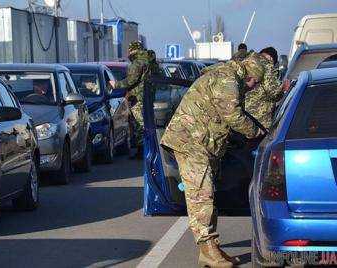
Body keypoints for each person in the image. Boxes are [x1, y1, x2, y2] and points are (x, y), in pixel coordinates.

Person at [160, 55, 265, 268]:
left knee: (208, 196)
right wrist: (257, 133)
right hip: (189, 142)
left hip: (201, 144)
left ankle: (211, 249)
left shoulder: (230, 78)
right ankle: (208, 250)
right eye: (256, 82)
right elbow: (233, 115)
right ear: (250, 74)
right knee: (201, 195)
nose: (254, 87)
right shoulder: (227, 78)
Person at [109, 41, 161, 154]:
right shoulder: (151, 61)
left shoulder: (137, 62)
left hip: (138, 98)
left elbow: (131, 80)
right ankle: (147, 149)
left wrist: (115, 84)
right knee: (146, 123)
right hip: (148, 95)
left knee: (139, 124)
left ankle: (143, 151)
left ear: (132, 50)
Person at [245, 47, 284, 129]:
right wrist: (283, 89)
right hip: (259, 118)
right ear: (270, 58)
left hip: (242, 115)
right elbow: (273, 92)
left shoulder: (247, 61)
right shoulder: (267, 65)